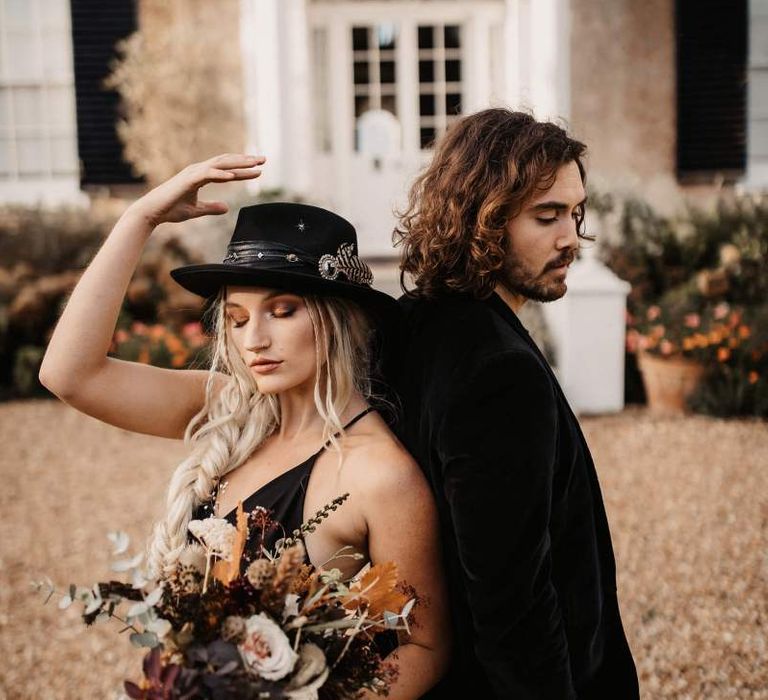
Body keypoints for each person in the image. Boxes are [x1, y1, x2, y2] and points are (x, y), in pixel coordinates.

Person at [39, 153, 450, 699]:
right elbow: (70, 374)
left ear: (339, 317)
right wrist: (138, 219)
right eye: (236, 319)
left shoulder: (380, 476)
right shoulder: (231, 406)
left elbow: (426, 647)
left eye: (281, 311)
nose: (253, 338)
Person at [393, 109, 639, 699]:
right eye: (546, 216)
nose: (569, 239)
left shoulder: (413, 322)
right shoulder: (497, 372)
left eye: (575, 213)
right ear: (483, 218)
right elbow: (512, 605)